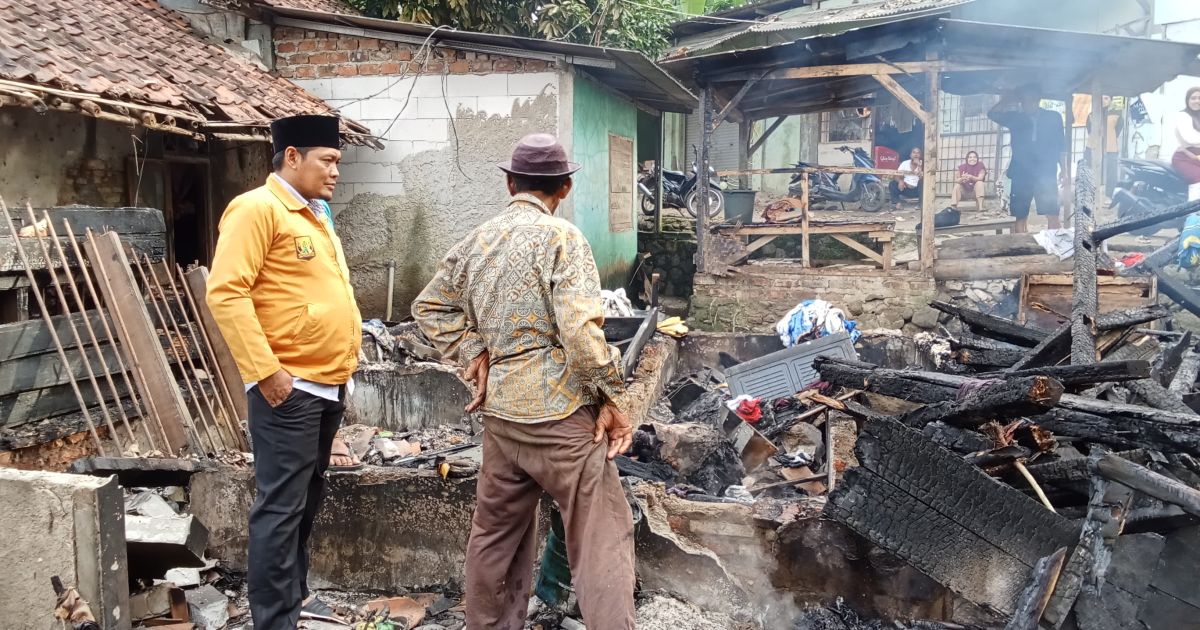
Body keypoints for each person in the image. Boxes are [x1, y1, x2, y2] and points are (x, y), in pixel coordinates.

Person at [413, 133, 635, 630]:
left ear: (510, 183)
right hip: (558, 416)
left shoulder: (480, 239)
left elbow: (428, 307)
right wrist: (614, 399)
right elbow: (580, 335)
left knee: (495, 536)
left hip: (502, 415)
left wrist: (476, 351)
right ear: (565, 187)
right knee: (600, 534)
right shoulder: (563, 238)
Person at [206, 115, 362, 629]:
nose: (336, 171)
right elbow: (227, 292)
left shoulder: (316, 215)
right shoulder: (257, 209)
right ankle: (273, 621)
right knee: (279, 510)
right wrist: (266, 372)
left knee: (304, 502)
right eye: (329, 160)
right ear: (291, 156)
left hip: (325, 385)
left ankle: (292, 602)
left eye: (338, 161)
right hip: (288, 388)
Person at [989, 84, 1066, 233]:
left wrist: (1064, 170)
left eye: (1031, 98)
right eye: (1024, 99)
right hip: (1021, 171)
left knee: (1052, 212)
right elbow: (992, 114)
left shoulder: (1053, 117)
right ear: (1021, 100)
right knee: (1020, 214)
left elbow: (1061, 145)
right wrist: (1007, 99)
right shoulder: (1015, 118)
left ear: (1038, 99)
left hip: (1046, 170)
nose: (1027, 102)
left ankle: (1055, 246)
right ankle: (1021, 247)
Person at [1172, 87, 1200, 186]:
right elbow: (1190, 138)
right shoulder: (1182, 116)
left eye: (1199, 98)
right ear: (1187, 100)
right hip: (1184, 158)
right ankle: (1194, 201)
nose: (1197, 101)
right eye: (1193, 98)